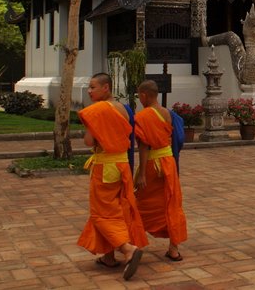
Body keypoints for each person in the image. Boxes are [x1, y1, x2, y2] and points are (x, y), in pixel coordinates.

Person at [77, 73, 147, 281]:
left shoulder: (97, 111)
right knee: (117, 208)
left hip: (105, 166)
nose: (89, 91)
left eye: (92, 87)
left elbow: (89, 142)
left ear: (106, 88)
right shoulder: (122, 109)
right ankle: (108, 257)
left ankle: (127, 249)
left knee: (101, 213)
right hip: (121, 164)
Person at [133, 80, 188, 261]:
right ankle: (174, 249)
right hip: (168, 163)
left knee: (140, 203)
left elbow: (143, 146)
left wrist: (141, 174)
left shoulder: (142, 117)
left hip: (152, 164)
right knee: (171, 203)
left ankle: (134, 244)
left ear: (143, 95)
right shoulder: (168, 113)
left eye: (139, 96)